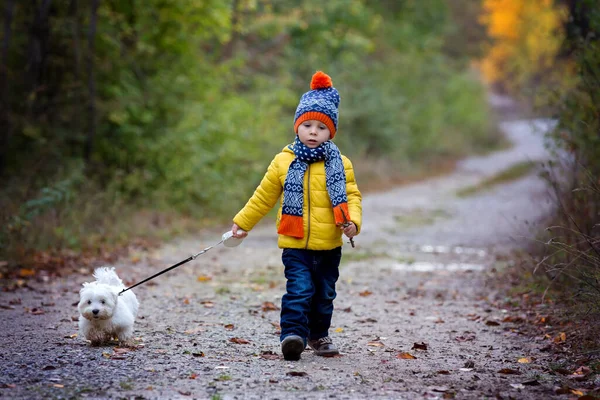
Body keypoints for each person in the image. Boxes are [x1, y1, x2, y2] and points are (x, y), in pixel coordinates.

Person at [231, 71, 362, 361]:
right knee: (299, 291)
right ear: (297, 126)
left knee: (324, 295)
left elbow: (352, 196)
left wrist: (353, 223)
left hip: (329, 244)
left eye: (321, 127)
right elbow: (263, 196)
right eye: (307, 125)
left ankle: (319, 336)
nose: (313, 132)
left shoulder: (341, 163)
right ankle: (293, 335)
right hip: (295, 243)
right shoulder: (283, 161)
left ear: (331, 132)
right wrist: (243, 222)